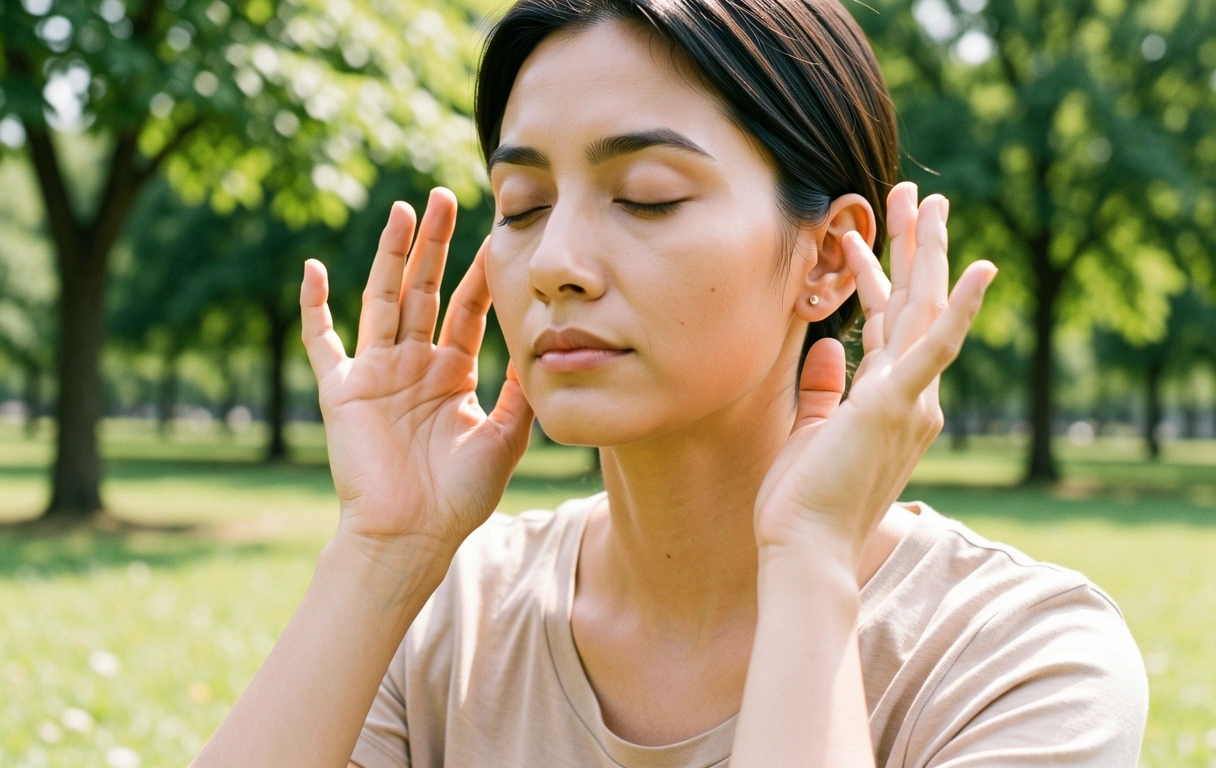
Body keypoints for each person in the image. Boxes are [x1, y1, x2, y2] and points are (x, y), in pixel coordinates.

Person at [192, 0, 1148, 766]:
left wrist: (811, 559)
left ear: (826, 257)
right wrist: (382, 555)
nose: (554, 260)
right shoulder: (448, 619)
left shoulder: (1019, 659)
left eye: (645, 195)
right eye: (522, 205)